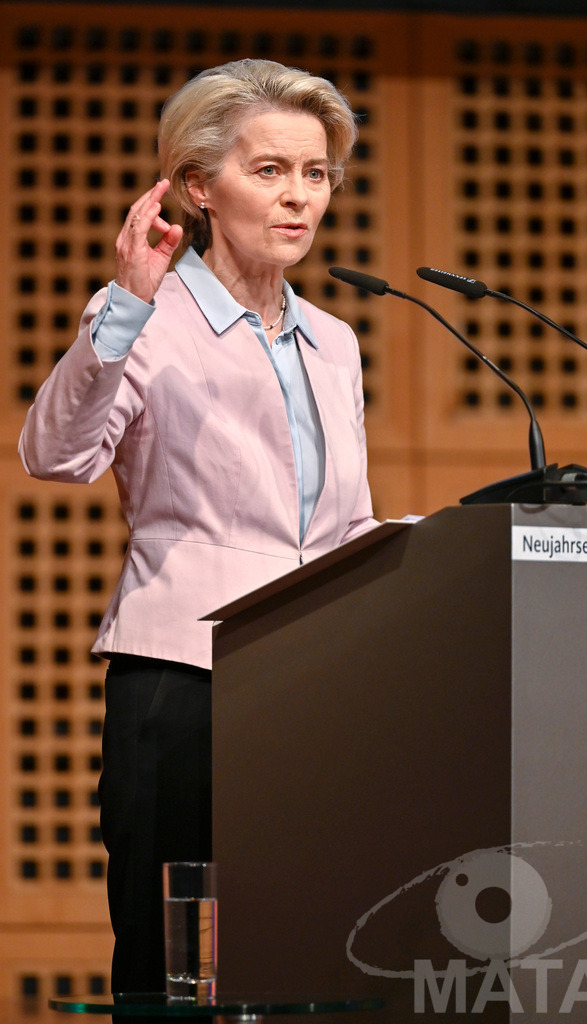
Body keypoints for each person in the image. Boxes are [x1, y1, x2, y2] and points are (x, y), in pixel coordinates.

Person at [18, 58, 378, 995]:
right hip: (186, 679)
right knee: (174, 960)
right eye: (269, 171)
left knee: (301, 942)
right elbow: (56, 456)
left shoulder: (334, 342)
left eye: (316, 173)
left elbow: (344, 526)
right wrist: (126, 306)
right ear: (195, 187)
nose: (299, 197)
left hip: (317, 679)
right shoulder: (143, 318)